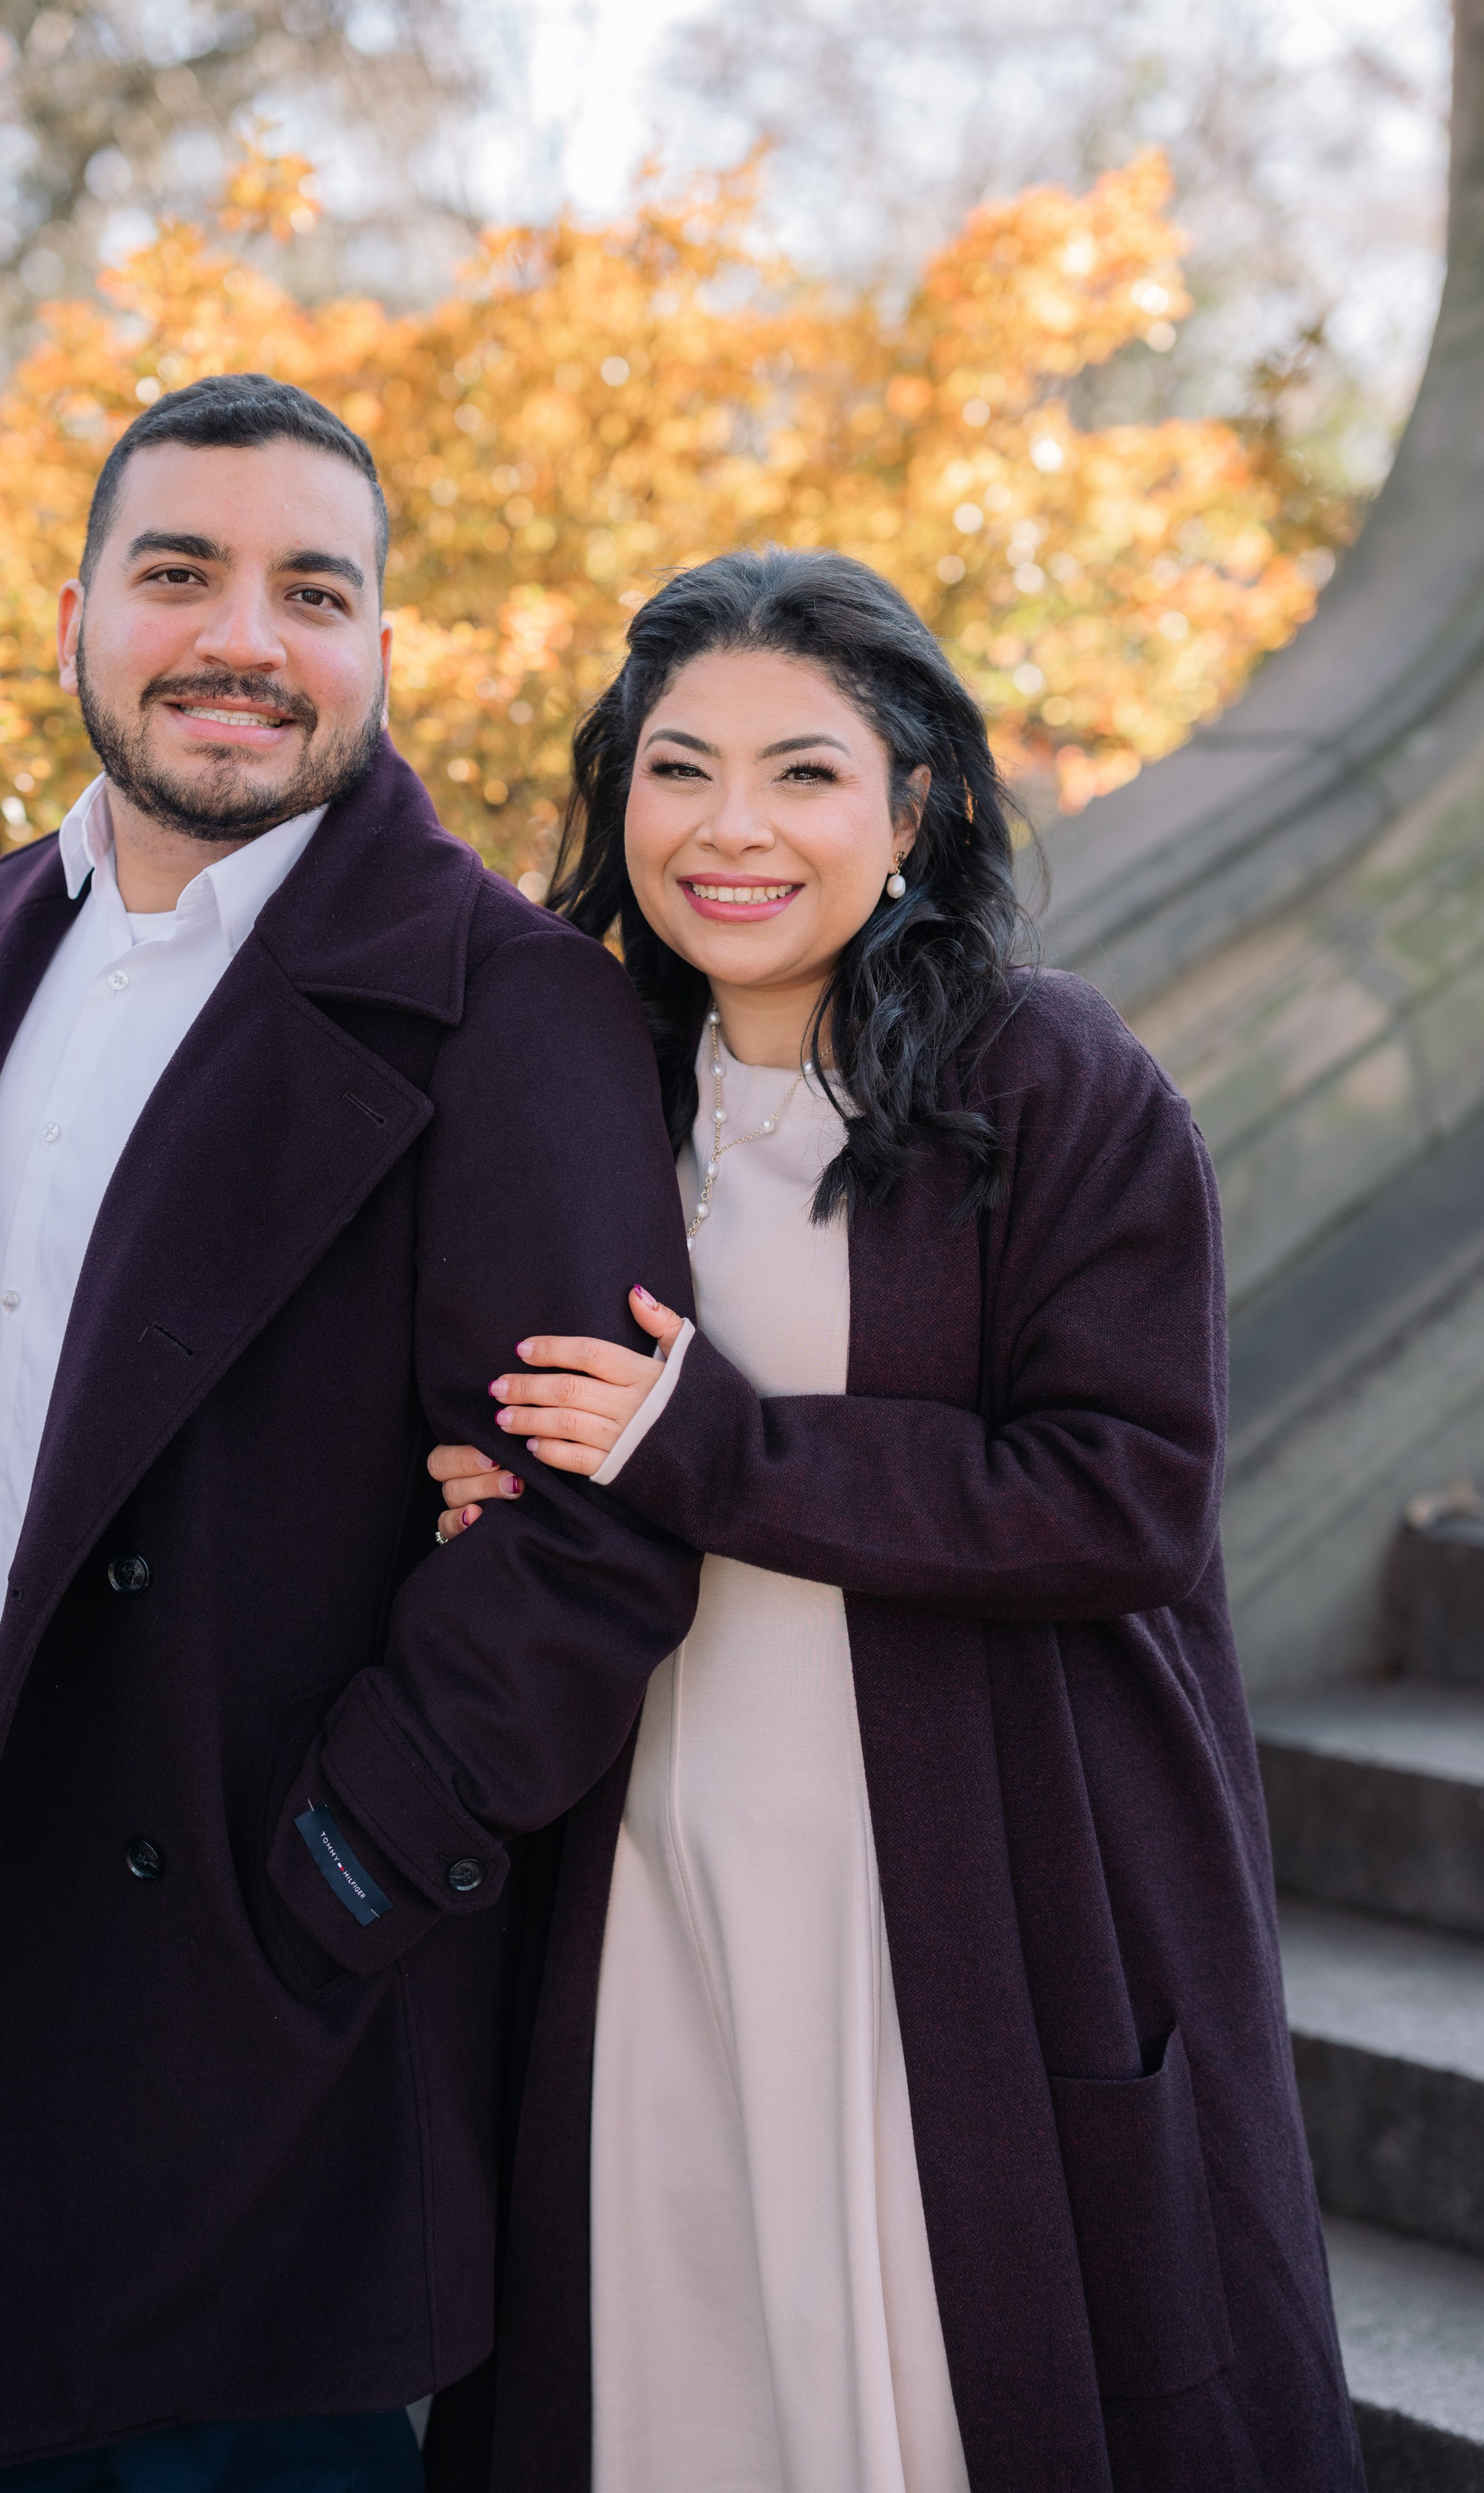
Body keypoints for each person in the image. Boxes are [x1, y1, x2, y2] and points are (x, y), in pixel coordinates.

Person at [0, 373, 702, 2493]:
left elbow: (593, 1523)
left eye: (315, 589)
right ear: (77, 612)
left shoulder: (510, 1001)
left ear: (384, 645)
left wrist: (337, 1879)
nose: (242, 640)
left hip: (281, 2018)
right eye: (179, 573)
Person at [424, 548, 1363, 2493]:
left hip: (967, 1884)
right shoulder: (582, 1082)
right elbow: (504, 1397)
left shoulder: (1056, 1082)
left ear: (912, 802)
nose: (731, 830)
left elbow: (1128, 1495)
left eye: (804, 773)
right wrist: (472, 1491)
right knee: (668, 2378)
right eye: (679, 771)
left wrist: (713, 1447)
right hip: (657, 1872)